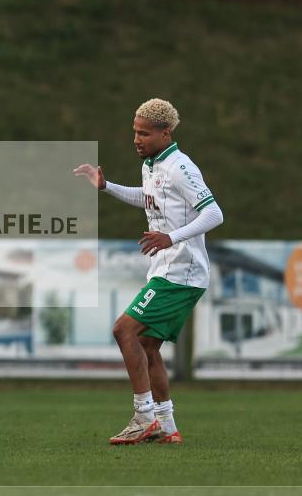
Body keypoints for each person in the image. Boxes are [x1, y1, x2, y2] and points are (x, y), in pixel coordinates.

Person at [74, 98, 223, 445]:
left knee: (123, 330)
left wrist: (171, 237)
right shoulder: (152, 165)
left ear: (165, 133)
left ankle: (144, 416)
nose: (136, 140)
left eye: (144, 133)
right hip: (166, 269)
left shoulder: (181, 167)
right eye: (135, 132)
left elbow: (214, 213)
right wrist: (107, 187)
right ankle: (167, 426)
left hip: (182, 272)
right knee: (146, 344)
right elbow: (148, 198)